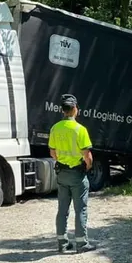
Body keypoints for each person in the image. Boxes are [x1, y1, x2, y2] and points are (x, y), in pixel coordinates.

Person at [49, 94, 96, 253]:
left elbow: (53, 153)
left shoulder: (55, 128)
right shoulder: (80, 130)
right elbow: (87, 155)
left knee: (62, 209)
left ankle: (62, 243)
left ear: (62, 110)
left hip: (62, 173)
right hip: (77, 173)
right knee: (80, 209)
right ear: (75, 109)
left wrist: (62, 160)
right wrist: (87, 167)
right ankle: (82, 244)